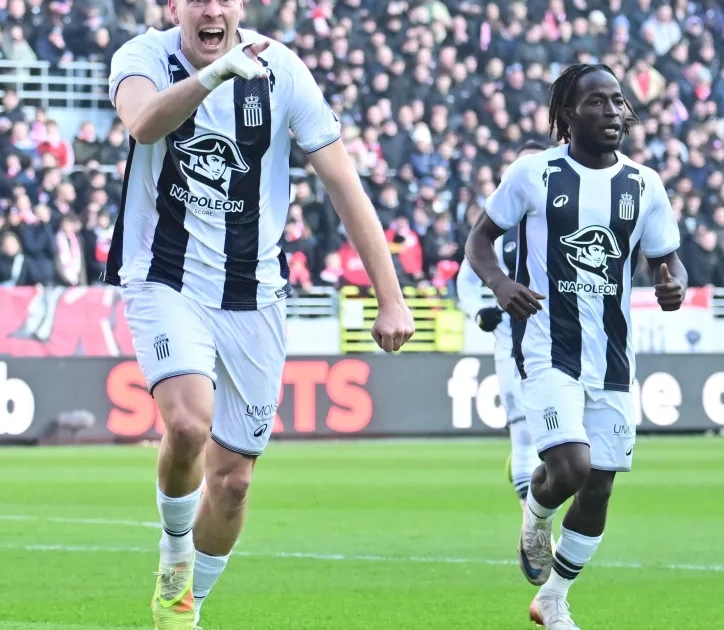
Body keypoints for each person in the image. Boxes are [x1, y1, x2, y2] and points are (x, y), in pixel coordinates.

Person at [105, 3, 416, 628]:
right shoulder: (142, 57)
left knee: (233, 485)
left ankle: (186, 608)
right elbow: (143, 124)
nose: (211, 9)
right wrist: (215, 75)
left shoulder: (283, 71)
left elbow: (342, 182)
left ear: (240, 8)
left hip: (254, 294)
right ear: (175, 8)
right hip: (165, 278)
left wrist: (391, 295)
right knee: (187, 424)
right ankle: (174, 556)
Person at [464, 64, 685, 630]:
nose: (612, 112)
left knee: (600, 486)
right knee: (571, 467)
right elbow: (480, 240)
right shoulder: (534, 173)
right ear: (567, 114)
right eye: (596, 102)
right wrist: (500, 284)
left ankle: (553, 598)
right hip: (547, 345)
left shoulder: (644, 185)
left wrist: (672, 283)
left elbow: (666, 258)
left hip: (612, 356)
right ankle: (536, 517)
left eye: (617, 101)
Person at [455, 140, 549, 510]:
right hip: (512, 343)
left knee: (562, 442)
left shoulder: (563, 220)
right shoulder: (498, 227)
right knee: (523, 432)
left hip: (559, 343)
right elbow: (466, 280)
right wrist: (480, 311)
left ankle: (530, 482)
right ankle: (533, 526)